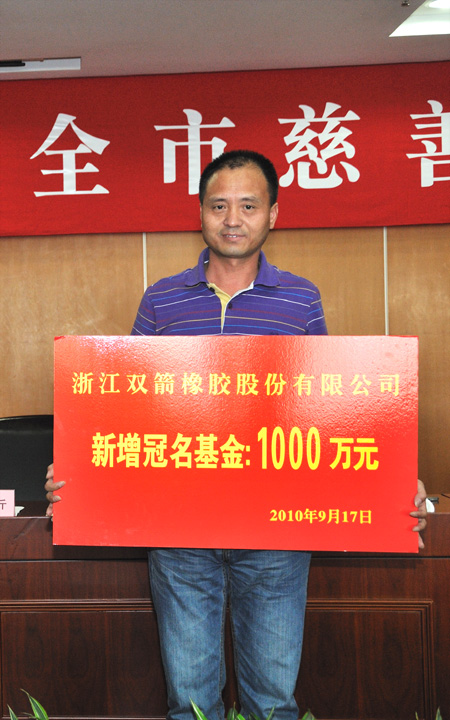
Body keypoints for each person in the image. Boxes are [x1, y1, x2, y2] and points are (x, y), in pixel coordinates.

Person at [45, 150, 428, 720]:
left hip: (276, 535)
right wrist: (78, 475)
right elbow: (123, 406)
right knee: (189, 702)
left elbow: (330, 408)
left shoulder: (301, 299)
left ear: (273, 214)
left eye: (248, 206)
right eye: (218, 205)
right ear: (200, 213)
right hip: (179, 533)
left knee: (272, 702)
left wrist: (390, 485)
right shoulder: (162, 300)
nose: (232, 219)